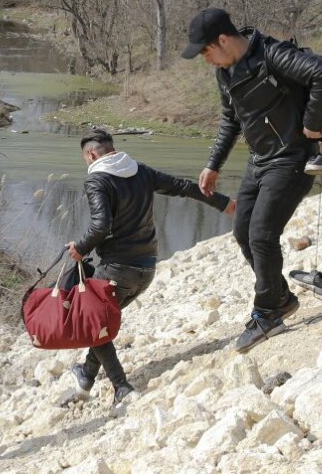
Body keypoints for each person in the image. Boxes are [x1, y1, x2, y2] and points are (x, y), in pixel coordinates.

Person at [182, 8, 322, 353]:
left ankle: (267, 312)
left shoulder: (273, 55)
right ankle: (281, 297)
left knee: (262, 234)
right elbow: (230, 119)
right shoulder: (226, 72)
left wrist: (312, 124)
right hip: (260, 160)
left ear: (223, 40)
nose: (206, 60)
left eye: (206, 51)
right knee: (243, 231)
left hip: (292, 159)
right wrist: (213, 165)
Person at [65, 129, 235, 401]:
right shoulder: (140, 171)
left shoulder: (97, 179)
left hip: (117, 270)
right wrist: (222, 202)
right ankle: (86, 374)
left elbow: (101, 224)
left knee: (92, 324)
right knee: (100, 323)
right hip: (146, 268)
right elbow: (182, 186)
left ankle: (121, 387)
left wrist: (80, 247)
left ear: (91, 154)